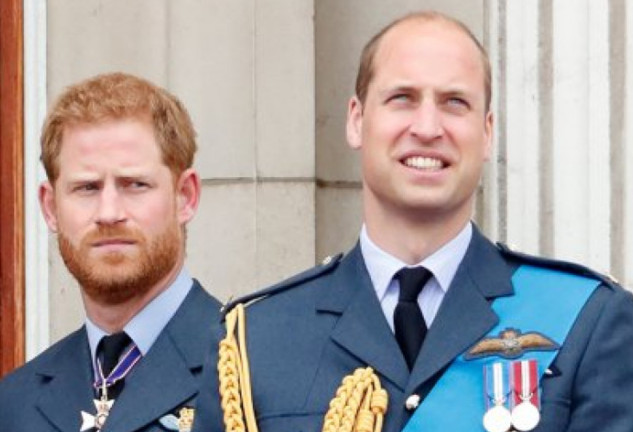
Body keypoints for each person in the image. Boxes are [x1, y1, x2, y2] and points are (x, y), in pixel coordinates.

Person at [193, 11, 633, 432]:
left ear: (487, 133)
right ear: (356, 120)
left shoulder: (588, 322)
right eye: (402, 98)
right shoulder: (256, 341)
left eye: (454, 102)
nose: (427, 127)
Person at [0, 72, 222, 432]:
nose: (108, 213)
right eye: (87, 188)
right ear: (51, 208)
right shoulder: (13, 405)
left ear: (186, 196)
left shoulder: (254, 371)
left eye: (135, 184)